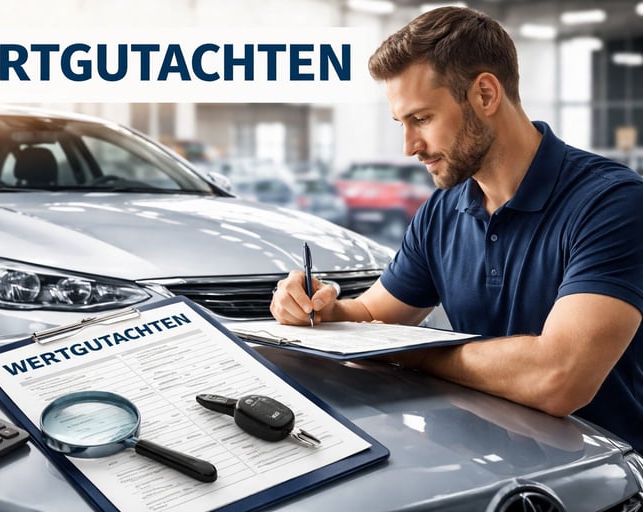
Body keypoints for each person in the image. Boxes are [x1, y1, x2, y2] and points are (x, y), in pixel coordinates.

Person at [270, 6, 643, 453]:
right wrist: (322, 310)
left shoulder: (612, 203)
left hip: (607, 478)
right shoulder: (441, 212)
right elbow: (371, 316)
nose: (409, 147)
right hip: (485, 470)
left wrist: (409, 351)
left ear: (485, 94)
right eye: (401, 124)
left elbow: (558, 379)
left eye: (421, 119)